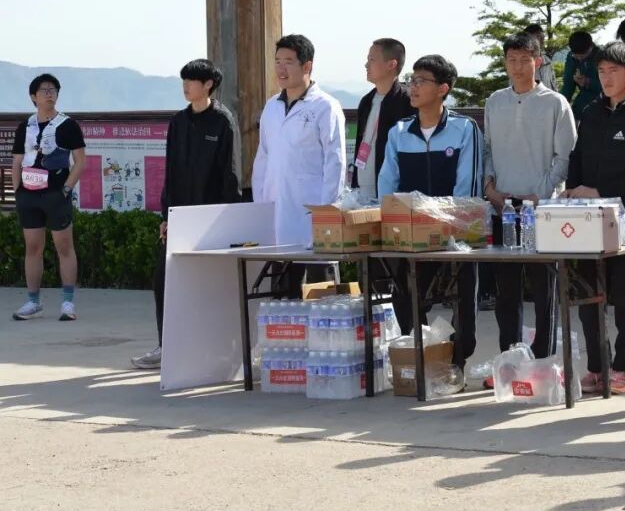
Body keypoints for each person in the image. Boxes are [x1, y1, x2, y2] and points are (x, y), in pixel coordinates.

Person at [565, 41, 625, 395]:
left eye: (614, 71)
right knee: (588, 294)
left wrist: (599, 190)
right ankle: (597, 367)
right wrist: (572, 191)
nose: (606, 78)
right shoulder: (591, 111)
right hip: (588, 219)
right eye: (601, 71)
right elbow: (577, 157)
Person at [131, 59, 243, 369]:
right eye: (184, 80)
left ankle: (213, 350)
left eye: (192, 80)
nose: (186, 86)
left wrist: (227, 219)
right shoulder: (178, 122)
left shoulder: (222, 121)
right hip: (179, 217)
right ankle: (166, 346)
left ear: (208, 84)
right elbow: (170, 172)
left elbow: (230, 174)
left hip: (209, 218)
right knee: (164, 281)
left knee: (208, 286)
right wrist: (166, 216)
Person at [378, 55, 483, 370]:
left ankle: (457, 359)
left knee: (463, 296)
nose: (413, 86)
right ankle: (422, 358)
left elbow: (468, 188)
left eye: (421, 81)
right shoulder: (399, 132)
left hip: (454, 235)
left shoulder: (464, 129)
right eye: (412, 79)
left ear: (442, 89)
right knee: (405, 294)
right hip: (411, 234)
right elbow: (387, 186)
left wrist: (446, 223)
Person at [484, 33, 577, 385]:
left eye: (525, 59)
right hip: (504, 209)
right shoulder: (495, 101)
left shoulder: (555, 103)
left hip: (542, 211)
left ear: (537, 62)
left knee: (544, 291)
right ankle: (508, 361)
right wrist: (490, 188)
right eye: (512, 59)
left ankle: (543, 362)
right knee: (506, 291)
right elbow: (488, 149)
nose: (518, 66)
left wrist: (540, 195)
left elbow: (564, 157)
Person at [252, 34, 347, 299]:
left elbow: (336, 162)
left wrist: (327, 212)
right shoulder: (271, 106)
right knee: (283, 297)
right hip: (277, 211)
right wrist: (260, 204)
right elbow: (263, 157)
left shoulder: (325, 106)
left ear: (307, 66)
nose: (281, 69)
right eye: (277, 61)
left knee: (320, 295)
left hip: (312, 212)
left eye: (288, 62)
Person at [11, 73, 86, 321]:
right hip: (29, 196)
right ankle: (33, 302)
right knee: (33, 247)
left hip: (56, 194)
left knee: (64, 246)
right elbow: (17, 161)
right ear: (34, 96)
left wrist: (66, 189)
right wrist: (18, 192)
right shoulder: (25, 126)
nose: (49, 94)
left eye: (53, 89)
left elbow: (80, 161)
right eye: (44, 90)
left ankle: (68, 303)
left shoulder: (68, 125)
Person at [349, 38, 415, 202]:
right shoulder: (366, 101)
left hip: (392, 193)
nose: (366, 65)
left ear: (391, 64)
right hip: (362, 191)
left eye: (372, 60)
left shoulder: (408, 102)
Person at [559, 30, 602, 119]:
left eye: (582, 56)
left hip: (602, 105)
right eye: (576, 56)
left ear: (591, 47)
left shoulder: (604, 57)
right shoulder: (571, 56)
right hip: (582, 105)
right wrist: (560, 105)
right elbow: (568, 84)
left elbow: (611, 88)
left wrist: (588, 82)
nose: (579, 59)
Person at [523, 24, 557, 90]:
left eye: (542, 37)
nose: (541, 40)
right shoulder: (521, 62)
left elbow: (554, 84)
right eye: (537, 36)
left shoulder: (547, 60)